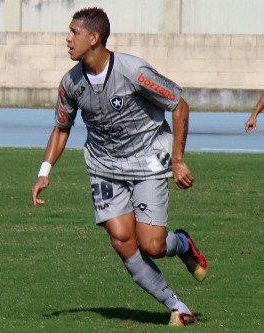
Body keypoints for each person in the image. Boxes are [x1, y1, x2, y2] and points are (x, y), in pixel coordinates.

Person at [31, 8, 207, 327]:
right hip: (104, 165)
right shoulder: (70, 83)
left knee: (152, 245)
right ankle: (178, 307)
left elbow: (179, 104)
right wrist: (45, 172)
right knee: (122, 239)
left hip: (150, 158)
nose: (67, 39)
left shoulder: (134, 71)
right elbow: (61, 128)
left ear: (94, 38)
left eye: (74, 33)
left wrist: (178, 159)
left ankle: (181, 243)